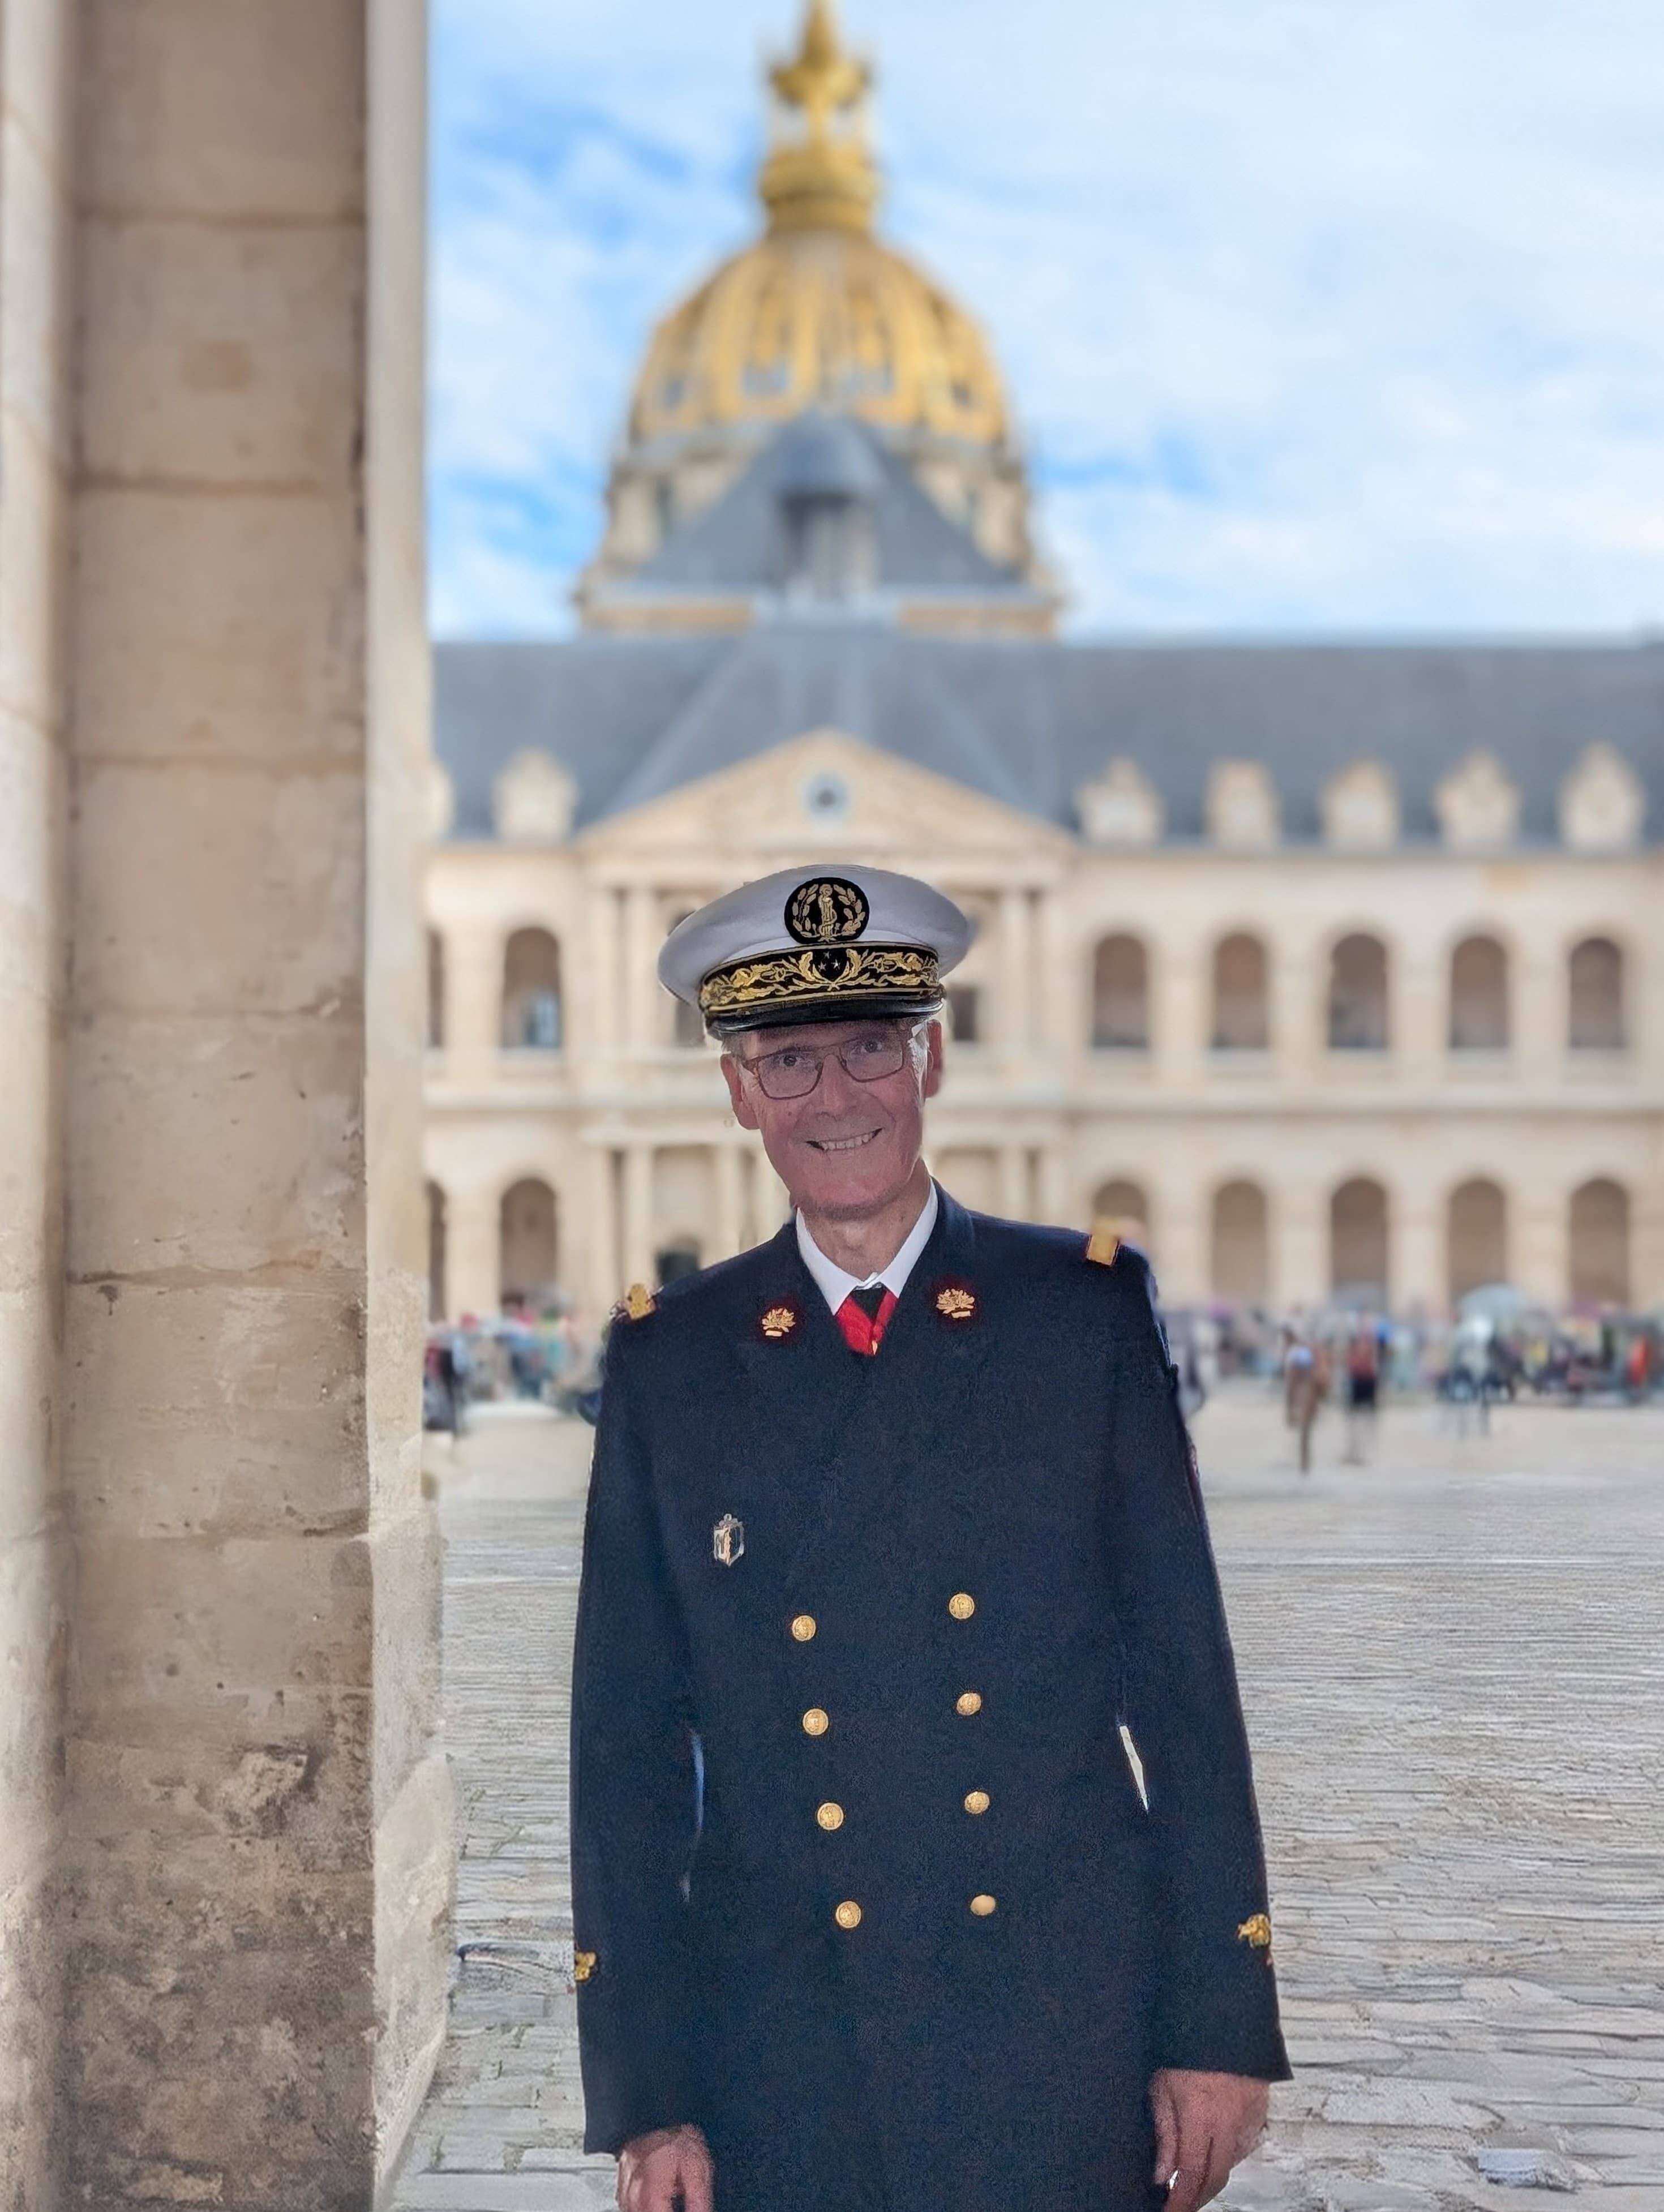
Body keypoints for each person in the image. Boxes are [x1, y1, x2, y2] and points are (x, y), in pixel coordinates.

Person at [571, 865, 1288, 2212]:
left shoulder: (1078, 1315)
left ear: (931, 1059)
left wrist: (1216, 2025)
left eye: (868, 1051)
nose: (834, 1098)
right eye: (789, 1062)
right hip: (781, 2029)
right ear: (739, 1092)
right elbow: (625, 1756)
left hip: (1055, 2017)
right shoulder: (674, 1359)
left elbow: (1186, 1690)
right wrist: (650, 2094)